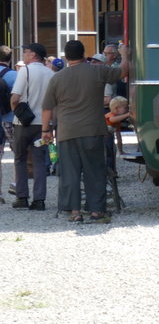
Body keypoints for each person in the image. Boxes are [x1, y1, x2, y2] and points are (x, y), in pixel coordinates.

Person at [42, 40, 129, 223]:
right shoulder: (97, 71)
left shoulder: (57, 78)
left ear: (66, 57)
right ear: (83, 54)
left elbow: (47, 107)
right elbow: (123, 71)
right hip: (93, 129)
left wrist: (45, 131)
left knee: (70, 173)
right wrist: (124, 55)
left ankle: (75, 212)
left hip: (66, 131)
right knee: (95, 171)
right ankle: (96, 210)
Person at [9, 43, 55, 210]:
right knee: (39, 161)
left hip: (24, 123)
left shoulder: (25, 71)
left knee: (20, 158)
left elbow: (15, 98)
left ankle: (22, 197)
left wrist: (16, 112)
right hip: (43, 124)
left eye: (26, 52)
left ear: (33, 54)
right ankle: (39, 200)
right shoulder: (51, 74)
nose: (23, 55)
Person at [0, 46, 16, 202]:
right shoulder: (14, 75)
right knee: (18, 153)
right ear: (10, 59)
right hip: (10, 119)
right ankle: (15, 184)